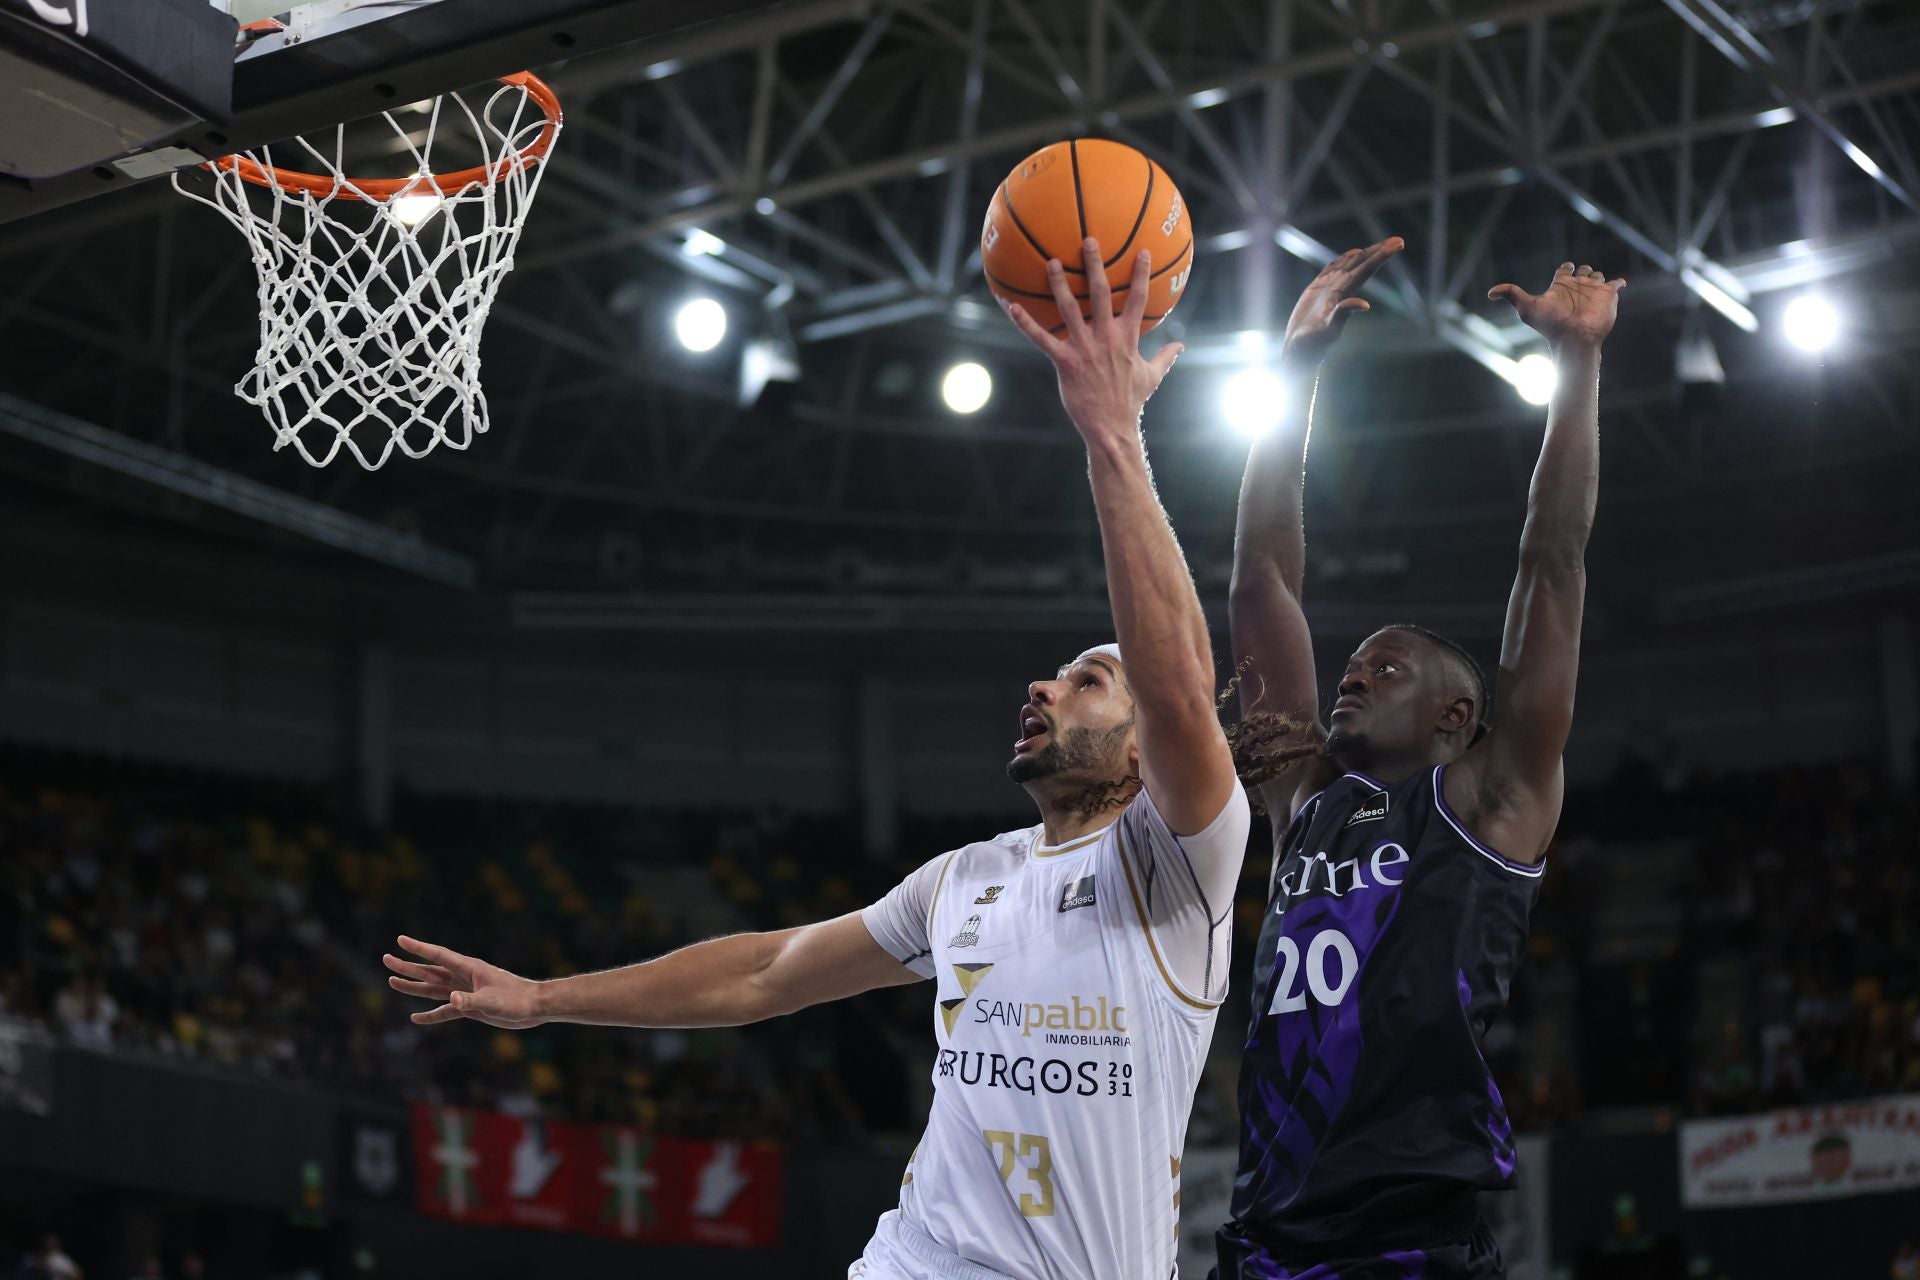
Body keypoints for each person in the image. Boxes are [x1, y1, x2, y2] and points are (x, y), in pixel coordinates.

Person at [386, 240, 1254, 1280]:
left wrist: (1112, 433)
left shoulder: (1180, 867)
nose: (1043, 686)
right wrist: (541, 997)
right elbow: (762, 970)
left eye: (1084, 679)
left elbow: (1178, 685)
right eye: (1053, 672)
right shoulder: (965, 880)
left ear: (1140, 739)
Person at [1217, 239, 1623, 1277]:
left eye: (1382, 667)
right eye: (1351, 664)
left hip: (1414, 1238)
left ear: (1455, 711)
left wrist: (1576, 370)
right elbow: (1262, 579)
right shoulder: (1301, 796)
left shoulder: (1492, 793)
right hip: (1265, 1237)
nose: (1349, 676)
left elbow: (1553, 559)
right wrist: (1293, 373)